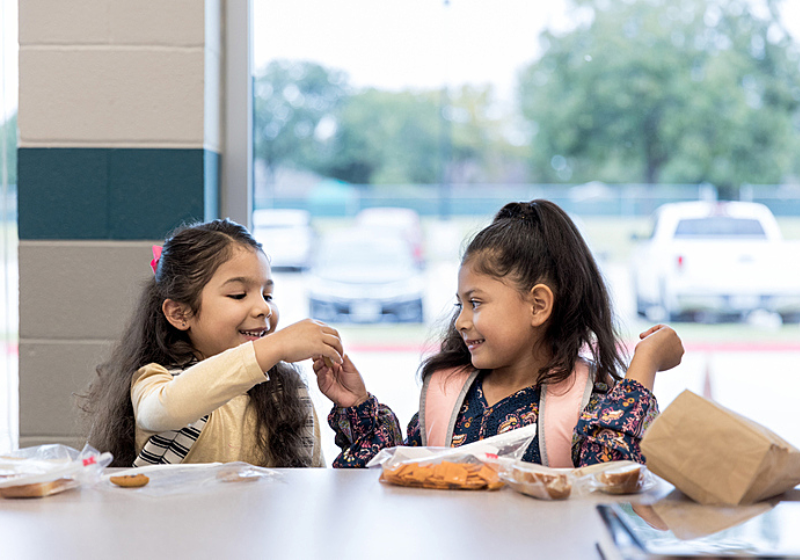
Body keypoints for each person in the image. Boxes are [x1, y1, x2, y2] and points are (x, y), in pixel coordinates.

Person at [313, 200, 684, 468]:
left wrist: (645, 363)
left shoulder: (592, 400)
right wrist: (357, 406)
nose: (461, 321)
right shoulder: (449, 394)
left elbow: (611, 473)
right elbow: (389, 471)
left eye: (476, 302)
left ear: (538, 305)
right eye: (459, 305)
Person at [79, 218, 344, 468]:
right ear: (180, 314)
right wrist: (273, 347)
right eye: (239, 295)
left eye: (268, 295)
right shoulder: (156, 378)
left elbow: (312, 476)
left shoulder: (285, 391)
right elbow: (163, 410)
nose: (264, 308)